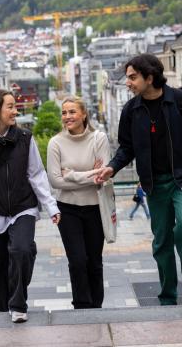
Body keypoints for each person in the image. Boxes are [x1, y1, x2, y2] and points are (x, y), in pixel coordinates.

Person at [95, 54, 182, 310]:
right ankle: (167, 295)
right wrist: (111, 168)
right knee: (161, 240)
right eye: (127, 78)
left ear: (150, 77)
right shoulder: (131, 111)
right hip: (155, 185)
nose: (128, 83)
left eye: (133, 77)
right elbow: (126, 148)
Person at [0, 89, 61, 323]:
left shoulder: (25, 139)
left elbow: (37, 174)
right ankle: (4, 305)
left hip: (22, 207)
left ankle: (18, 304)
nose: (15, 110)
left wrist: (51, 206)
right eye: (10, 106)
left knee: (22, 250)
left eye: (15, 106)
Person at [46, 97, 110, 309]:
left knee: (94, 261)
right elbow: (55, 181)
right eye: (64, 113)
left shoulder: (98, 139)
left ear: (84, 114)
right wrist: (90, 175)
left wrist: (71, 175)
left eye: (72, 112)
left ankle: (96, 306)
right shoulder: (55, 143)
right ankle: (81, 306)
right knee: (77, 261)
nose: (67, 117)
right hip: (68, 210)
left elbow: (103, 176)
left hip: (95, 209)